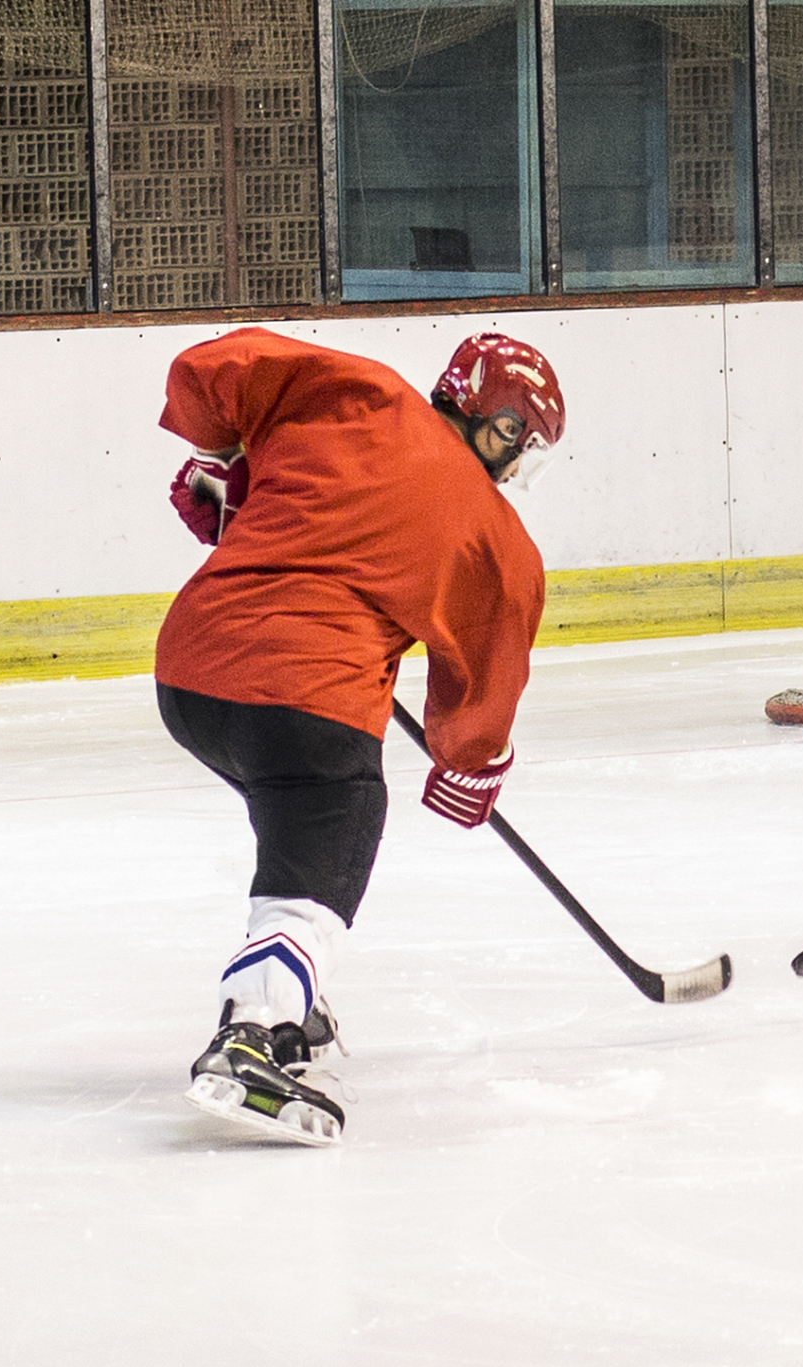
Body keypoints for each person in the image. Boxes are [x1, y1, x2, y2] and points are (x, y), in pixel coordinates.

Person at [154, 326, 566, 1145]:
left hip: (189, 677)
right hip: (303, 698)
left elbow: (209, 371)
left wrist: (227, 464)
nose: (520, 473)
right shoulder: (496, 538)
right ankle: (254, 1026)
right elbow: (480, 696)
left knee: (291, 810)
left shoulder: (353, 390)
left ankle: (288, 996)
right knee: (333, 817)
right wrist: (472, 763)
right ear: (504, 427)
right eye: (528, 449)